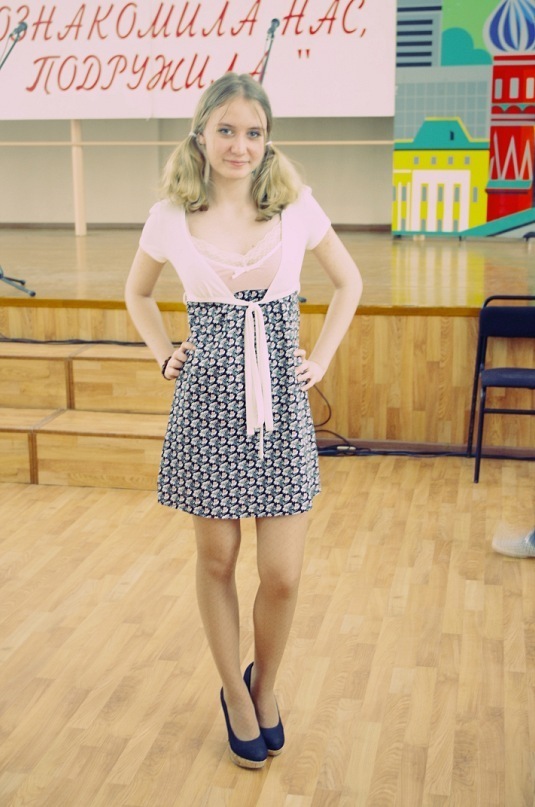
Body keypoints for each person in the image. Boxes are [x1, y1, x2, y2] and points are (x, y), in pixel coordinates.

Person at [125, 72, 363, 769]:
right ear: (200, 134)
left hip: (280, 405)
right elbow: (137, 292)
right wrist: (163, 353)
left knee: (282, 573)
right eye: (226, 130)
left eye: (253, 132)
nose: (240, 145)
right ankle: (234, 691)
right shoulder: (170, 216)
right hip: (206, 403)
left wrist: (320, 358)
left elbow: (349, 281)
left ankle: (266, 682)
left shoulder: (295, 206)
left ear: (267, 140)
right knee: (217, 560)